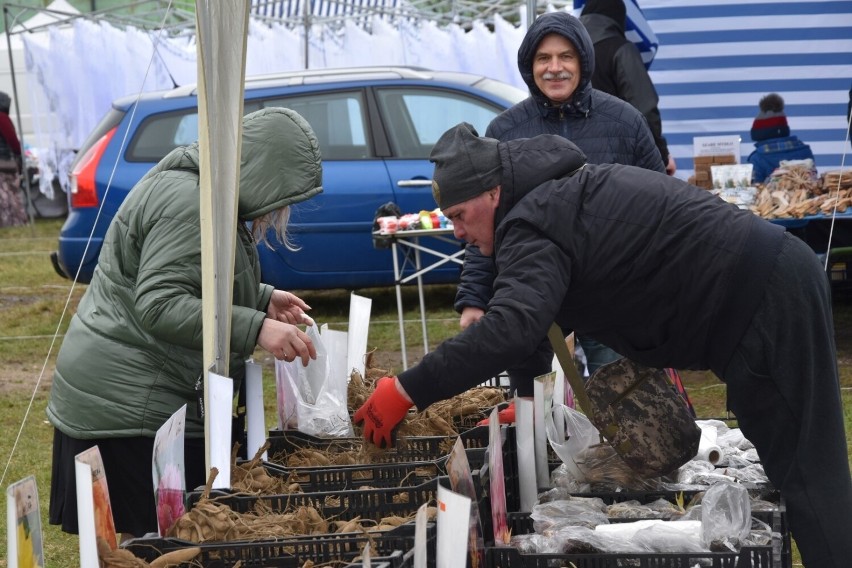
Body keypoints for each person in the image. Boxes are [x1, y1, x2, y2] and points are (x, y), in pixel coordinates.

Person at [354, 122, 852, 568]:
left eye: (460, 215)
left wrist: (406, 388)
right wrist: (525, 402)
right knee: (795, 463)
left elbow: (512, 325)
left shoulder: (534, 221)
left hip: (766, 297)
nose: (458, 232)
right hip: (764, 292)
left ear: (494, 192)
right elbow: (538, 321)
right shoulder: (546, 203)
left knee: (810, 475)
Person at [47, 107, 322, 540]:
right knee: (152, 546)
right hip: (128, 405)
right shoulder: (190, 201)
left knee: (152, 545)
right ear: (265, 174)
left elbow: (197, 278)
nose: (282, 209)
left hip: (132, 394)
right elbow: (159, 303)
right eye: (284, 194)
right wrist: (256, 328)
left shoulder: (204, 190)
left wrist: (261, 299)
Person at [455, 10, 664, 414]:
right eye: (543, 58)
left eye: (566, 56)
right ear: (528, 65)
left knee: (625, 402)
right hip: (534, 294)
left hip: (610, 293)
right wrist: (474, 299)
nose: (554, 68)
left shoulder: (625, 123)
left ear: (583, 61)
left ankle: (630, 473)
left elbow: (661, 208)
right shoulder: (504, 132)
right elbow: (484, 227)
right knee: (534, 405)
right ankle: (547, 473)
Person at [579, 0, 676, 175]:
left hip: (580, 163)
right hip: (623, 164)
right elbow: (645, 108)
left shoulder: (571, 55)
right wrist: (662, 155)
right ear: (617, 18)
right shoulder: (620, 49)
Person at [746, 93, 815, 184]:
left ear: (758, 134)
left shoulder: (757, 158)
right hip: (804, 196)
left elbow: (755, 190)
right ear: (785, 129)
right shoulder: (805, 151)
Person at [0, 90, 27, 228]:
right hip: (4, 163)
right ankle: (14, 222)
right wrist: (19, 155)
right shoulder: (2, 118)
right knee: (10, 195)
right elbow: (12, 141)